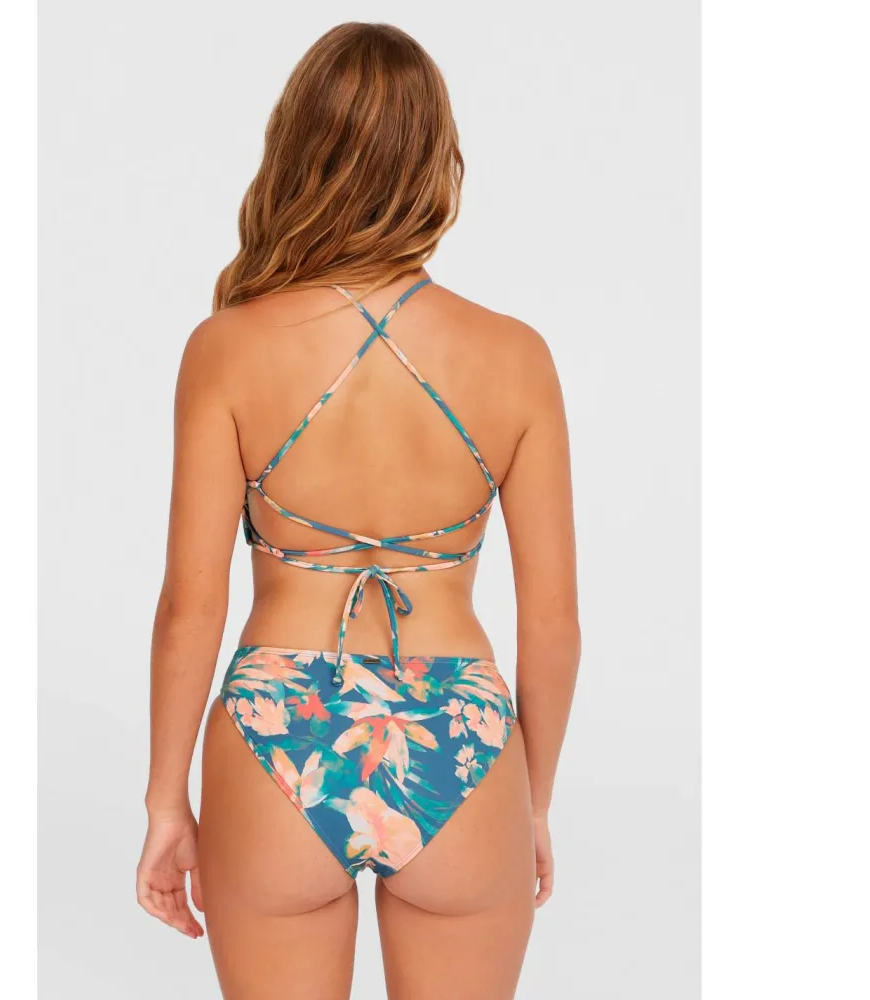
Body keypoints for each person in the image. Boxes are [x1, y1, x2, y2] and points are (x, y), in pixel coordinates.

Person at [136, 21, 580, 1000]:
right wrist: (530, 800)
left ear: (297, 148)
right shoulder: (516, 357)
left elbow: (189, 606)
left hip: (279, 722)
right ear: (437, 160)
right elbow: (552, 623)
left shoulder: (227, 348)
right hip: (459, 730)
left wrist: (167, 800)